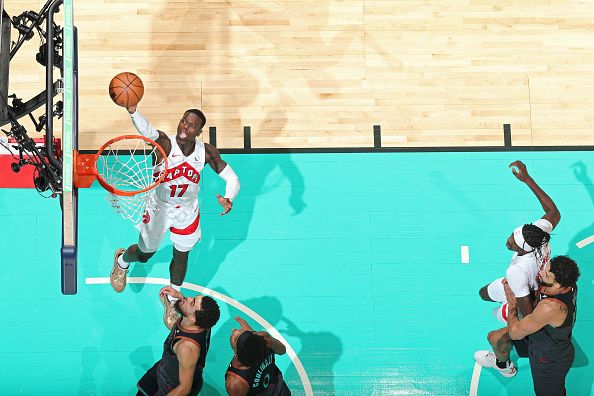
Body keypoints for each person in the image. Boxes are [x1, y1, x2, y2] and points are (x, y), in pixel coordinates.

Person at [110, 104, 240, 328]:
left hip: (187, 210)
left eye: (191, 126)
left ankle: (171, 299)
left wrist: (229, 197)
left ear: (198, 132)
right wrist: (133, 111)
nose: (184, 128)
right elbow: (148, 131)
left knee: (181, 255)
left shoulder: (206, 152)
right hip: (159, 207)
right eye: (183, 121)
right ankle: (121, 261)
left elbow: (232, 178)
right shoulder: (166, 143)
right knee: (144, 255)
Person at [474, 255, 579, 395]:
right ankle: (504, 366)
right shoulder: (565, 283)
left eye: (547, 273)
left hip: (548, 357)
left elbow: (514, 333)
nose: (542, 271)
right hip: (537, 332)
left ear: (558, 285)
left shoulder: (551, 307)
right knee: (495, 338)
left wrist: (512, 302)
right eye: (546, 267)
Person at [479, 160, 560, 321]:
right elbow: (553, 211)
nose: (508, 241)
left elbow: (529, 315)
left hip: (524, 293)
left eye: (512, 243)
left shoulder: (517, 271)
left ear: (523, 250)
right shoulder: (538, 234)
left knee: (497, 314)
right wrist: (527, 178)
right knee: (483, 293)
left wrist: (511, 299)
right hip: (521, 282)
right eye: (511, 235)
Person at [137, 286, 221, 396]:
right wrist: (181, 298)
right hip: (164, 371)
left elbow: (184, 388)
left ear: (193, 319)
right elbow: (180, 322)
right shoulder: (202, 321)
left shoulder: (186, 348)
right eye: (194, 298)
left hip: (170, 388)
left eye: (192, 302)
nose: (189, 297)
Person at [225, 316, 291, 396]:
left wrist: (250, 335)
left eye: (236, 338)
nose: (235, 330)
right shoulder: (265, 340)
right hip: (281, 391)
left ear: (237, 352)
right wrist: (253, 336)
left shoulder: (236, 383)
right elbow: (282, 350)